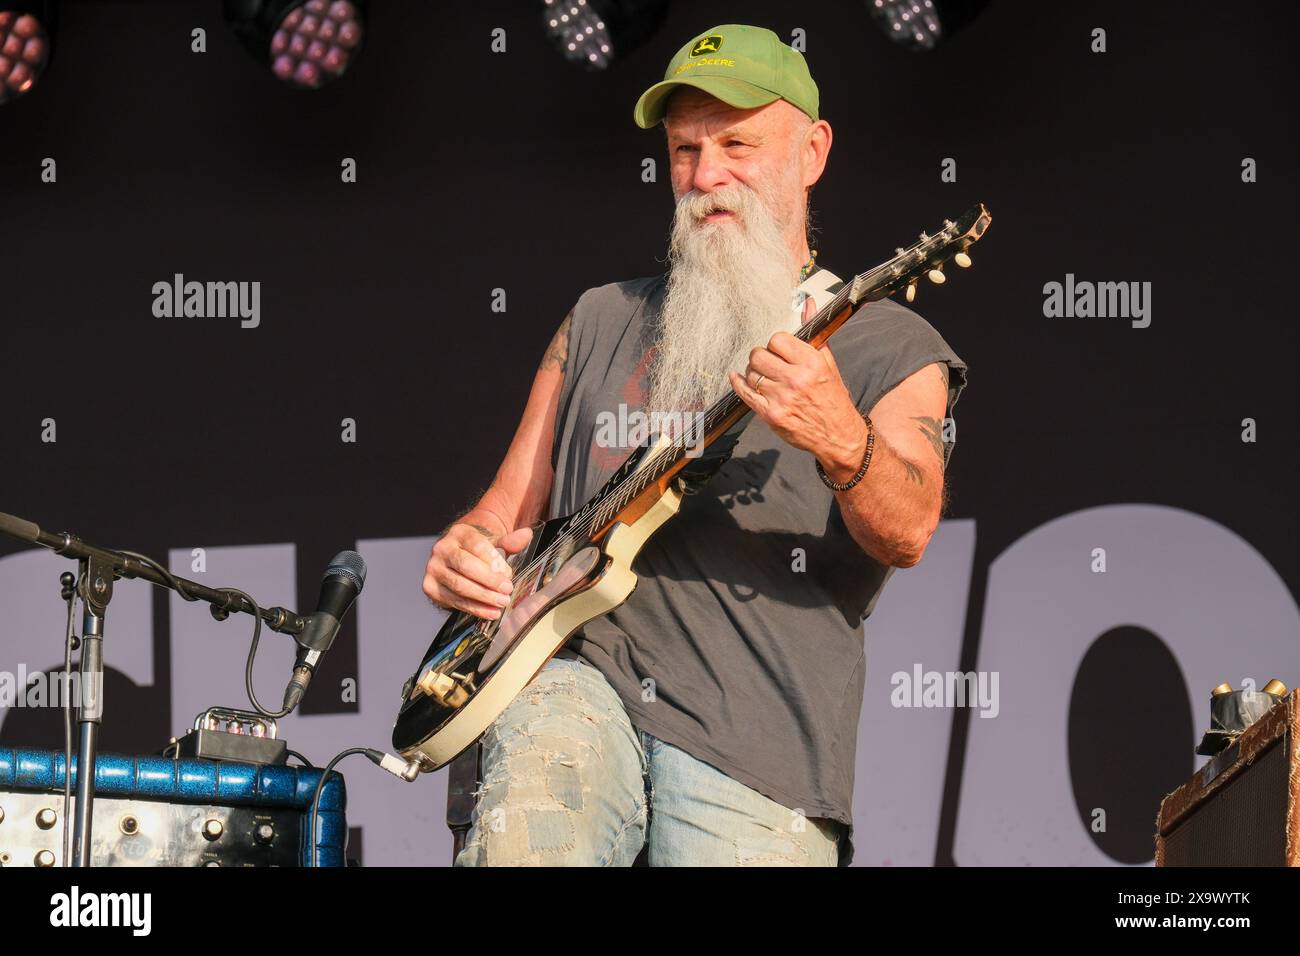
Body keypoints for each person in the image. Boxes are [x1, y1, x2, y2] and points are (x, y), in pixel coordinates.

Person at [422, 23, 968, 866]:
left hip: (759, 745)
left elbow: (911, 528)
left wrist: (839, 435)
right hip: (571, 680)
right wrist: (467, 551)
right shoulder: (600, 316)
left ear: (813, 151)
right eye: (685, 151)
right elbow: (503, 514)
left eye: (739, 144)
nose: (707, 176)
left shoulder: (890, 344)